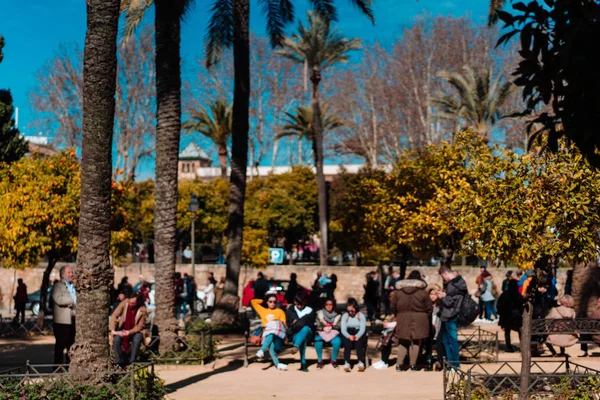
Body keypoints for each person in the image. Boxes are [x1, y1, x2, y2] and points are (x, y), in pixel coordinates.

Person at [391, 270, 433, 371]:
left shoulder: (398, 292)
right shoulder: (423, 293)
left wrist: (399, 315)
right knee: (416, 341)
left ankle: (399, 364)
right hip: (420, 319)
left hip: (402, 318)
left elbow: (393, 306)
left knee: (403, 341)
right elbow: (429, 307)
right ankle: (413, 365)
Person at [438, 266, 467, 368]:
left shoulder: (452, 285)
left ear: (445, 273)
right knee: (447, 341)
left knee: (452, 340)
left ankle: (454, 364)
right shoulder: (459, 284)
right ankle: (451, 364)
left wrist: (442, 297)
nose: (443, 279)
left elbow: (450, 302)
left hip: (450, 314)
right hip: (451, 314)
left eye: (442, 276)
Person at [110, 290, 147, 369]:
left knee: (138, 337)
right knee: (116, 340)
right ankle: (120, 363)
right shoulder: (125, 303)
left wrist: (129, 332)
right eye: (130, 302)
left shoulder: (142, 310)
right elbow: (114, 315)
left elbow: (140, 326)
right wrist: (113, 330)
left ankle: (132, 361)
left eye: (133, 303)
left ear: (138, 302)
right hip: (123, 330)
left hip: (135, 331)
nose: (130, 304)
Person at [251, 294, 288, 371]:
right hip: (266, 335)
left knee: (272, 334)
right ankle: (277, 364)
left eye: (274, 302)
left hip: (278, 335)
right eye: (270, 301)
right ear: (267, 302)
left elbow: (283, 324)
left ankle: (262, 350)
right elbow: (253, 302)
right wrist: (263, 300)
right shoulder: (263, 311)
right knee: (270, 338)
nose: (272, 303)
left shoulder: (280, 311)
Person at [52, 266, 77, 365]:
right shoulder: (58, 286)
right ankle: (57, 367)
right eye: (69, 272)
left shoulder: (74, 286)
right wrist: (73, 300)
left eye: (72, 272)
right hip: (62, 322)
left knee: (71, 345)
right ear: (62, 275)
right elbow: (58, 299)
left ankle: (69, 367)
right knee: (60, 345)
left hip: (73, 320)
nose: (71, 274)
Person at [286, 293, 315, 371]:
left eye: (302, 304)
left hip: (308, 334)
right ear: (295, 302)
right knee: (302, 337)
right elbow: (290, 325)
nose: (300, 306)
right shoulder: (290, 310)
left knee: (305, 329)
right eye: (298, 304)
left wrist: (297, 322)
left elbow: (311, 324)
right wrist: (304, 320)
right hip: (294, 335)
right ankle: (303, 363)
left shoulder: (310, 310)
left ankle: (296, 347)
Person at [314, 298, 342, 369]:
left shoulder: (338, 314)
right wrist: (323, 328)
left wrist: (331, 327)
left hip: (333, 333)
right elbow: (317, 325)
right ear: (324, 305)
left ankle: (333, 360)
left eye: (330, 304)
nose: (329, 306)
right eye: (327, 304)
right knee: (318, 340)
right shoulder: (319, 314)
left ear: (333, 305)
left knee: (337, 341)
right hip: (322, 333)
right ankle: (320, 361)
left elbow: (339, 326)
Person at [341, 297, 367, 372]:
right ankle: (347, 362)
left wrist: (358, 336)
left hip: (358, 331)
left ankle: (360, 362)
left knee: (359, 343)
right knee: (347, 344)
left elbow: (362, 328)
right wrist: (348, 336)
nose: (350, 313)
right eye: (348, 311)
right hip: (348, 332)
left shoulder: (360, 315)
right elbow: (343, 329)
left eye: (352, 310)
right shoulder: (345, 316)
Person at [497, 280, 523, 352]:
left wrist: (500, 313)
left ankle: (508, 347)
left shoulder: (504, 294)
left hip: (506, 315)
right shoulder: (517, 294)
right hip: (515, 316)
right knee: (520, 331)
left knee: (507, 331)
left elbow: (499, 305)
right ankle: (522, 346)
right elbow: (521, 304)